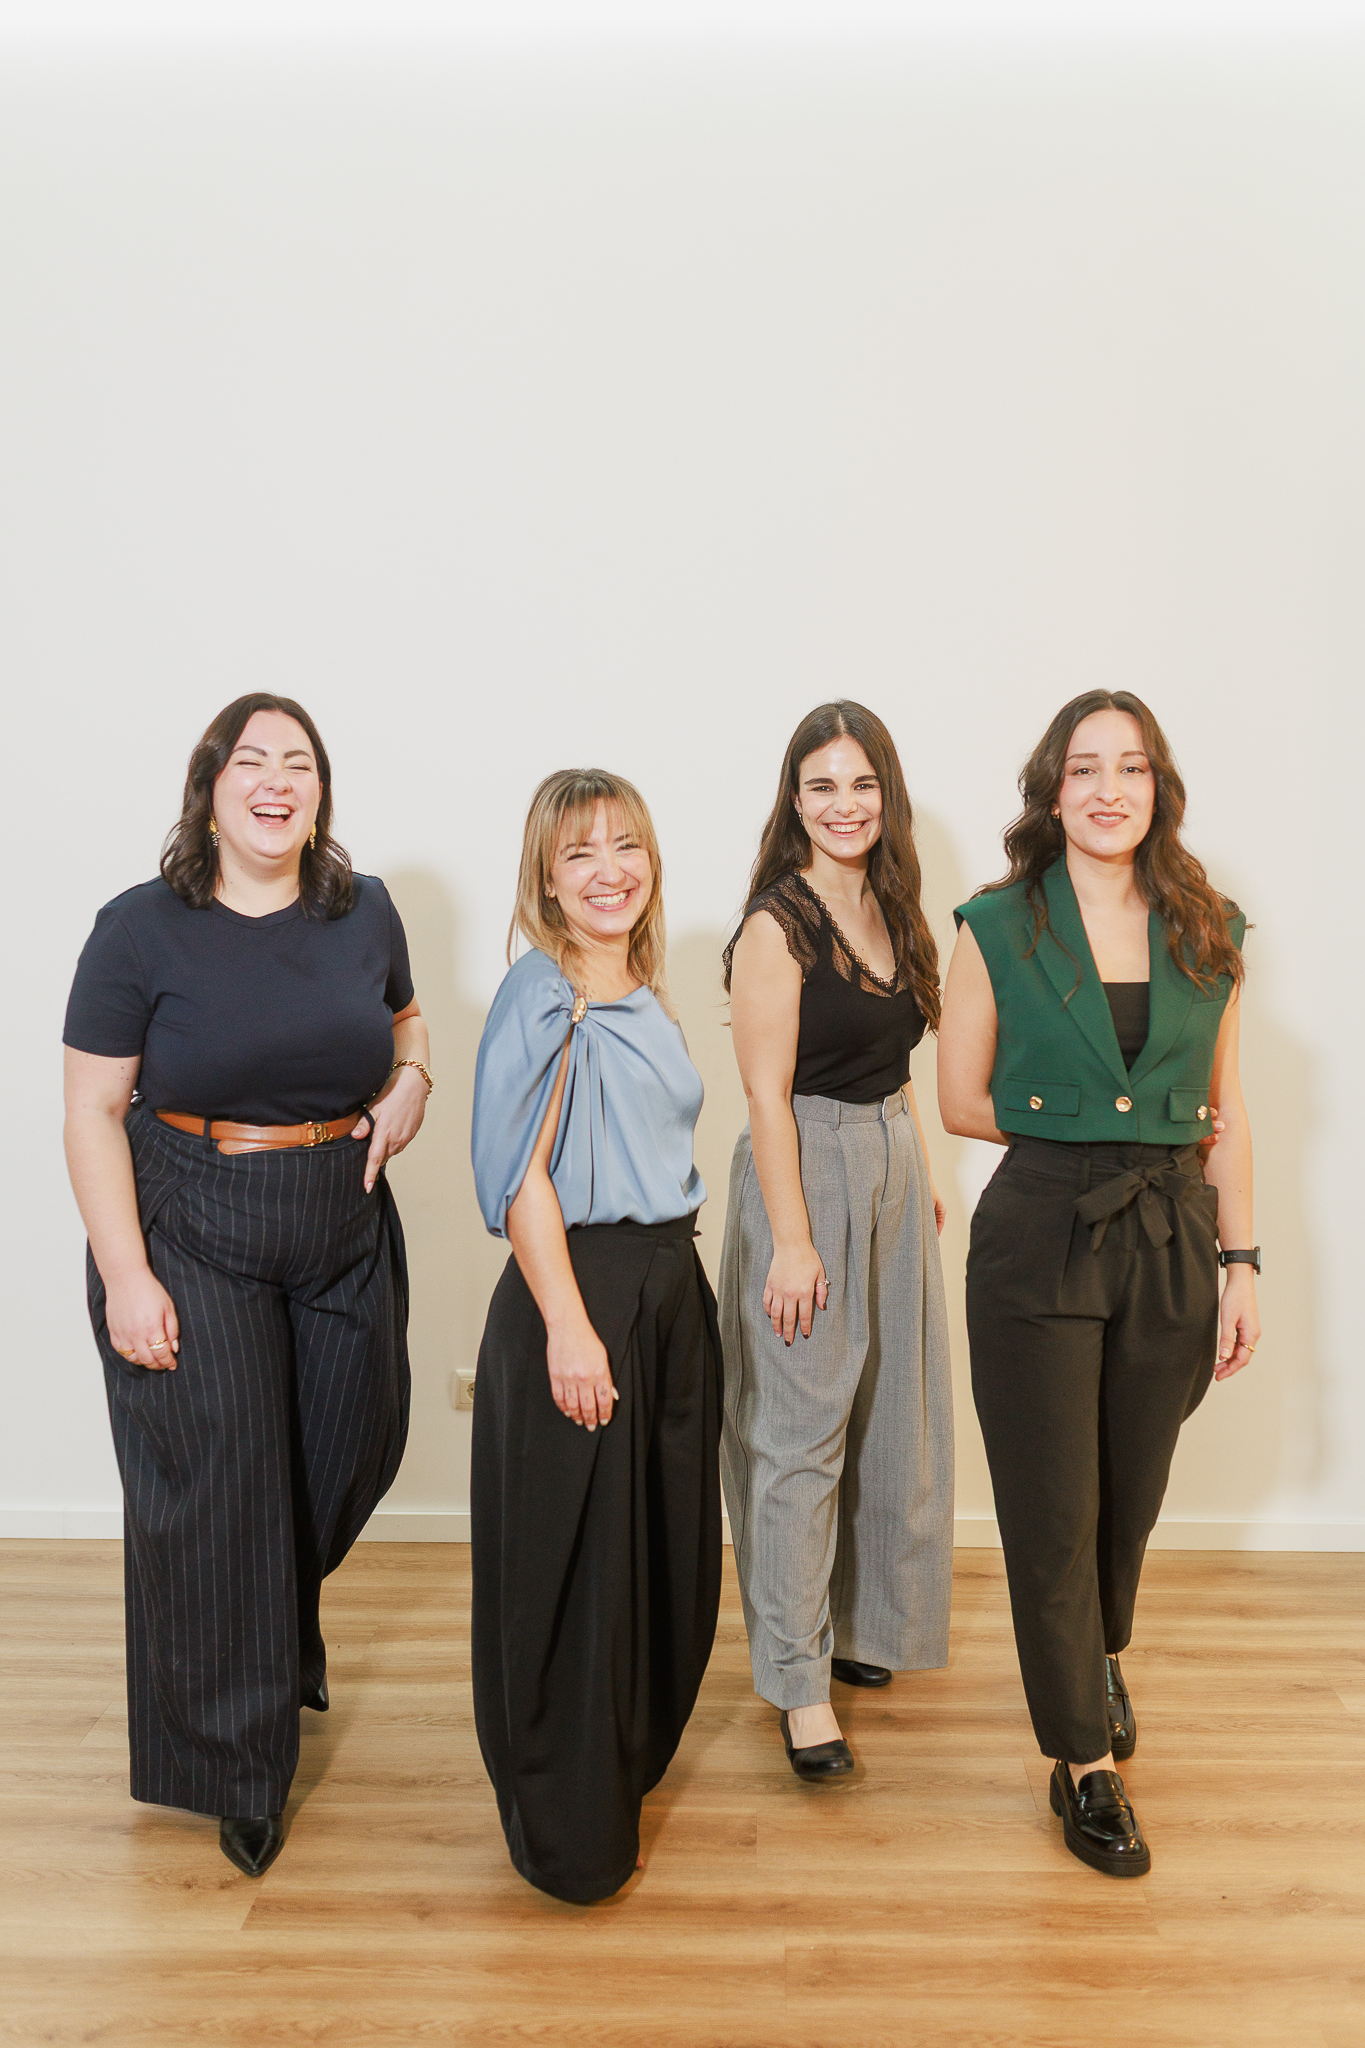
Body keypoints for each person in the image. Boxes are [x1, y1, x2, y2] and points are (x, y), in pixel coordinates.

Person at [62, 694, 429, 1880]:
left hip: (339, 1211)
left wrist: (414, 1081)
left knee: (351, 1446)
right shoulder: (139, 929)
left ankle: (269, 1629)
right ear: (210, 788)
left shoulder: (364, 906)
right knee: (223, 1498)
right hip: (192, 1214)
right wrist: (127, 1273)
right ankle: (238, 1769)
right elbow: (90, 1110)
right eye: (252, 761)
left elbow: (406, 1023)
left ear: (320, 790)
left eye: (300, 763)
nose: (278, 780)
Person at [938, 689, 1258, 1877]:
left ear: (1158, 787)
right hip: (1041, 1226)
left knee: (1132, 1487)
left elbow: (1229, 1113)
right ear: (1053, 788)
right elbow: (960, 1097)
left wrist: (1242, 1262)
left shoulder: (1209, 927)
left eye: (1130, 767)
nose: (1108, 789)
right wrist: (1101, 1121)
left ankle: (1100, 1650)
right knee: (1052, 1505)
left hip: (1173, 1227)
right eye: (1084, 768)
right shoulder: (996, 923)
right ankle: (1083, 1761)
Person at [469, 768, 722, 1904]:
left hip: (666, 1287)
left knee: (659, 1559)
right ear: (546, 879)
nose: (609, 870)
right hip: (582, 1292)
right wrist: (571, 1328)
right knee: (575, 1577)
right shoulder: (544, 991)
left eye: (625, 846)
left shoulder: (645, 990)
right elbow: (522, 1175)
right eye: (579, 853)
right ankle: (573, 1836)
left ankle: (618, 1775)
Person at [720, 701, 954, 1781]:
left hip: (890, 1156)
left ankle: (859, 1628)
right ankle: (796, 1681)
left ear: (885, 794)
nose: (843, 804)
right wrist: (792, 1240)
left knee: (890, 1414)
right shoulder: (778, 925)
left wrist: (920, 1172)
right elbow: (765, 1093)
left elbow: (896, 1067)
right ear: (794, 800)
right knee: (799, 1431)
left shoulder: (894, 904)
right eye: (821, 785)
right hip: (805, 1163)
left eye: (861, 784)